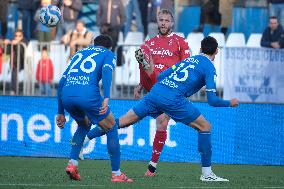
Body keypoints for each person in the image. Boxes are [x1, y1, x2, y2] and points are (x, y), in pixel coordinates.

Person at [83, 36, 239, 181]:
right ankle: (207, 174)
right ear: (216, 51)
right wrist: (229, 103)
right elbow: (212, 100)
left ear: (200, 50)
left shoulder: (190, 60)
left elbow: (162, 75)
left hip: (156, 92)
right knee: (205, 127)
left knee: (121, 122)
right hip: (174, 98)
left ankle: (86, 138)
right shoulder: (209, 67)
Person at [86, 9, 190, 176]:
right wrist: (141, 83)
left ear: (172, 23)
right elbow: (144, 66)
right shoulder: (151, 43)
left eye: (166, 20)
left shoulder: (180, 42)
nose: (163, 23)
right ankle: (87, 137)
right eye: (160, 20)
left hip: (170, 89)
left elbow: (186, 68)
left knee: (162, 122)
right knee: (123, 122)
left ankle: (151, 168)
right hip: (153, 89)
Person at [56, 35, 133, 182]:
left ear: (93, 44)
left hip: (67, 95)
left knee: (84, 125)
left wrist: (60, 111)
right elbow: (106, 72)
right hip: (88, 95)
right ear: (110, 47)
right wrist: (107, 96)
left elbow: (61, 82)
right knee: (111, 127)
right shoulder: (108, 54)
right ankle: (116, 174)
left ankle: (72, 164)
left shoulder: (79, 53)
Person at [4, 30, 27, 95]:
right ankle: (13, 90)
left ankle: (14, 90)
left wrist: (17, 43)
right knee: (13, 76)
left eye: (19, 36)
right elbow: (7, 52)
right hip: (13, 63)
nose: (17, 37)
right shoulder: (13, 42)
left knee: (14, 76)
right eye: (16, 36)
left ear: (22, 36)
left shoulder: (24, 42)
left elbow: (21, 51)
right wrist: (7, 44)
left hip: (19, 62)